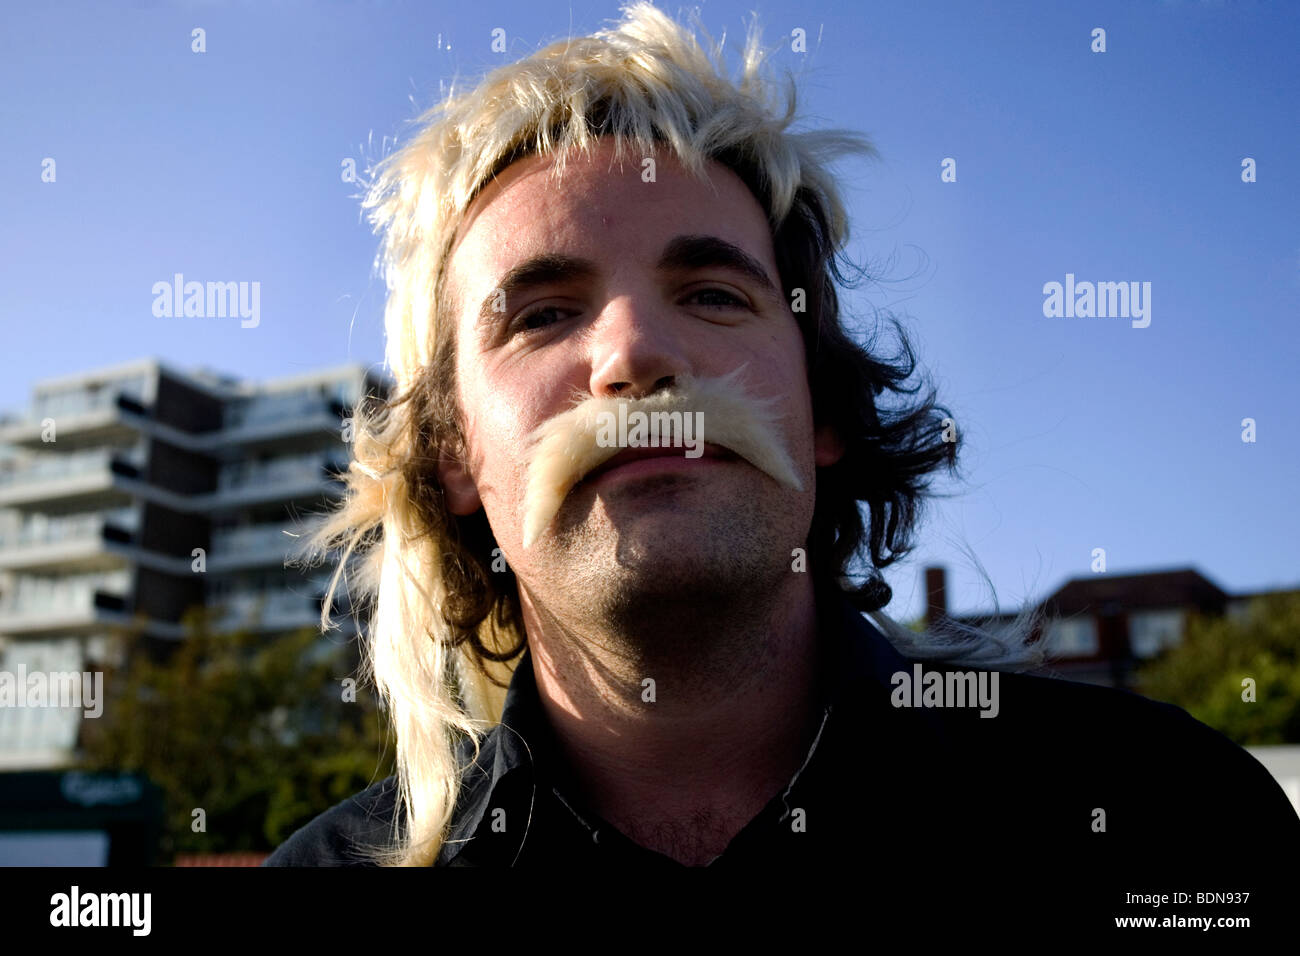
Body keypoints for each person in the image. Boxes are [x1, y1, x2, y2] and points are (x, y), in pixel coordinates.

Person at [264, 2, 1299, 903]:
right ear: (451, 457)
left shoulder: (1168, 815)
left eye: (714, 294)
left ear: (822, 410)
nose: (633, 354)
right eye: (539, 314)